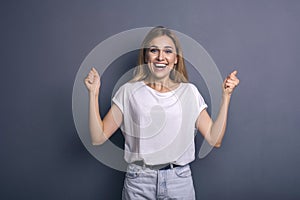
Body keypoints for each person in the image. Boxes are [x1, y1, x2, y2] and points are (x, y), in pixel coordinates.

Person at [84, 26, 240, 200]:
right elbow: (98, 137)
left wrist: (226, 97)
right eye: (154, 50)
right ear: (146, 57)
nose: (160, 57)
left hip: (179, 182)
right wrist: (93, 93)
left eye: (168, 51)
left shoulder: (189, 92)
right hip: (139, 182)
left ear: (175, 59)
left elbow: (214, 139)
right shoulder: (129, 91)